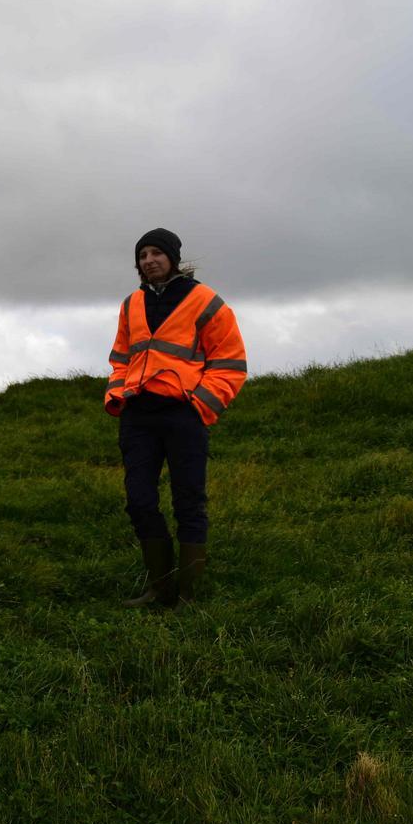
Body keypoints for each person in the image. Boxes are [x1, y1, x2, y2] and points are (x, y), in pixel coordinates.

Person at [104, 228, 247, 605]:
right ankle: (160, 587)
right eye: (142, 255)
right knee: (139, 500)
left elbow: (230, 363)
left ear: (173, 257)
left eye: (156, 253)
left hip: (184, 415)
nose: (149, 260)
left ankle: (188, 594)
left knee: (189, 502)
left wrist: (199, 404)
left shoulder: (206, 302)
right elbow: (120, 357)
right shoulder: (131, 304)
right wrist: (118, 392)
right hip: (138, 416)